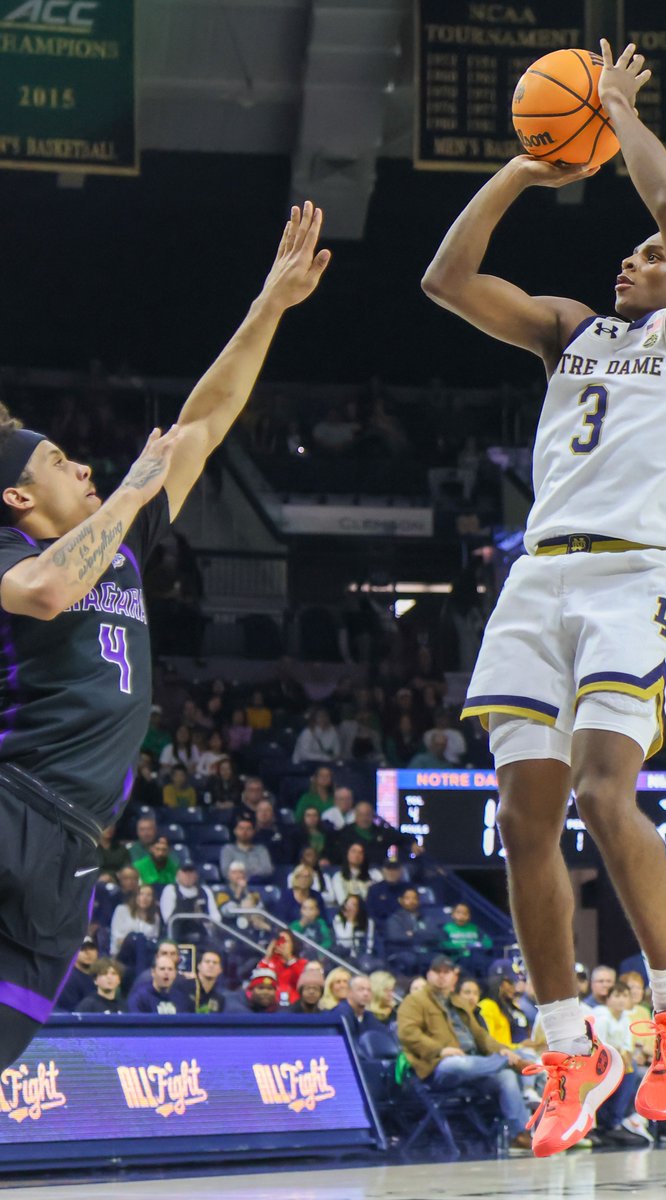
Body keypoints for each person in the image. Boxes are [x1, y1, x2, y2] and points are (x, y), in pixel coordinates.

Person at [424, 39, 666, 1158]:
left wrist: (615, 113)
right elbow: (447, 282)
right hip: (540, 572)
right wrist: (525, 168)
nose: (637, 256)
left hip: (637, 574)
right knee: (517, 818)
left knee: (609, 797)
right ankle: (571, 1048)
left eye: (654, 256)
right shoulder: (571, 329)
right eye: (632, 251)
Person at [0, 206, 329, 1066]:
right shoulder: (13, 546)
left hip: (74, 837)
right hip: (12, 796)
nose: (83, 465)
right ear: (19, 500)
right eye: (58, 462)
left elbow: (205, 421)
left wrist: (271, 305)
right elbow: (44, 589)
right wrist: (131, 492)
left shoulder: (129, 538)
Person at [396, 955, 534, 1153]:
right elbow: (408, 1034)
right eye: (437, 972)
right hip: (436, 1067)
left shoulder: (459, 1002)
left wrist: (500, 1049)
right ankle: (509, 1063)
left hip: (474, 1064)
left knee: (506, 1077)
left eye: (446, 972)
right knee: (458, 1063)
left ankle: (519, 1135)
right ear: (429, 975)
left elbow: (480, 1035)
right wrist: (440, 1050)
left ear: (454, 976)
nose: (442, 977)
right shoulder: (414, 1002)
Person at [589, 979, 653, 1145]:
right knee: (630, 1073)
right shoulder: (601, 1018)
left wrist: (625, 1059)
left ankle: (621, 1120)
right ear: (608, 999)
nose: (621, 1000)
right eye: (616, 996)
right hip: (598, 1063)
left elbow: (627, 1046)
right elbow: (598, 1047)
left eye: (625, 996)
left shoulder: (625, 1019)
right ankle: (611, 1122)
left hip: (616, 1063)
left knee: (634, 1071)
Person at [159, 859, 220, 926]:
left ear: (196, 875)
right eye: (185, 871)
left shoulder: (205, 890)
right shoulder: (170, 890)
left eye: (191, 872)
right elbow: (168, 920)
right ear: (178, 874)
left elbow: (216, 916)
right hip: (178, 932)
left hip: (202, 931)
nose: (188, 875)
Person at [127, 953, 192, 1014]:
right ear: (153, 972)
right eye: (162, 969)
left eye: (170, 969)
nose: (166, 972)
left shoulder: (181, 998)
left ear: (175, 973)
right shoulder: (140, 997)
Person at [111, 884, 162, 954]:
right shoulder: (121, 910)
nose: (145, 898)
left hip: (145, 953)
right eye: (141, 894)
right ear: (135, 896)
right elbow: (117, 936)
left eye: (149, 895)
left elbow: (154, 939)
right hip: (122, 952)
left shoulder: (155, 917)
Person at [221, 816, 274, 882]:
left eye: (248, 829)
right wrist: (253, 871)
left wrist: (240, 872)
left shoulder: (261, 850)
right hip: (234, 886)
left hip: (258, 885)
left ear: (253, 832)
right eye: (241, 828)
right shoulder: (228, 849)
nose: (244, 832)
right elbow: (225, 872)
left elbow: (267, 870)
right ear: (235, 831)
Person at [191, 948, 226, 1014]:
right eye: (207, 961)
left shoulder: (219, 999)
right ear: (199, 966)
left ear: (220, 970)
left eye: (215, 963)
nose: (211, 965)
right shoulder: (186, 990)